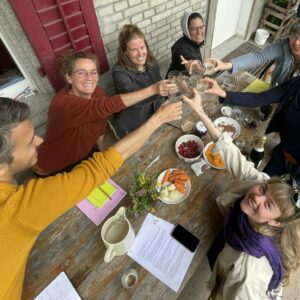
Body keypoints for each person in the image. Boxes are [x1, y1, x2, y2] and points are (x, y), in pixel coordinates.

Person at [0, 97, 182, 299]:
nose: (40, 141)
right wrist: (157, 120)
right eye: (30, 141)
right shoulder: (19, 208)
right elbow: (104, 164)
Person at [182, 89, 300, 299]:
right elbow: (238, 161)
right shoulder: (264, 185)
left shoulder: (247, 272)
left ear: (277, 223)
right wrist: (200, 111)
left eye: (269, 205)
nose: (257, 197)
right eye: (263, 191)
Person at [34, 50, 178, 176]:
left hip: (83, 156)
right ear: (68, 77)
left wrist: (100, 148)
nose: (89, 78)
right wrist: (153, 89)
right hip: (54, 166)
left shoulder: (97, 92)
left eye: (93, 72)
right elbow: (104, 106)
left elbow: (101, 122)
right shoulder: (62, 104)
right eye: (81, 73)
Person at [202, 76, 300, 184]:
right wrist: (222, 93)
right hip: (281, 152)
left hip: (297, 173)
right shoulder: (297, 83)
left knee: (276, 195)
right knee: (262, 186)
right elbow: (261, 98)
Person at [208, 20, 300, 88]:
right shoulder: (283, 45)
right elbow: (258, 57)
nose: (296, 42)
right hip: (275, 91)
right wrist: (226, 64)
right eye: (294, 36)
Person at [111, 24, 165, 138]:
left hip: (155, 117)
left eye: (142, 47)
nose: (141, 54)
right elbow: (134, 101)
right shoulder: (119, 72)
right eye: (134, 50)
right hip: (133, 126)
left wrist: (173, 86)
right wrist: (157, 90)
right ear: (125, 51)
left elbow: (159, 84)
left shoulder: (151, 62)